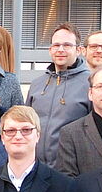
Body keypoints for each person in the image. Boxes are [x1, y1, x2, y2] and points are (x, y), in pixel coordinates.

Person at [26, 22, 90, 166]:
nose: (60, 49)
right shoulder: (37, 84)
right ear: (50, 50)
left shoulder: (90, 83)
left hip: (72, 170)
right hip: (37, 170)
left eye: (67, 45)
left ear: (79, 50)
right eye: (56, 45)